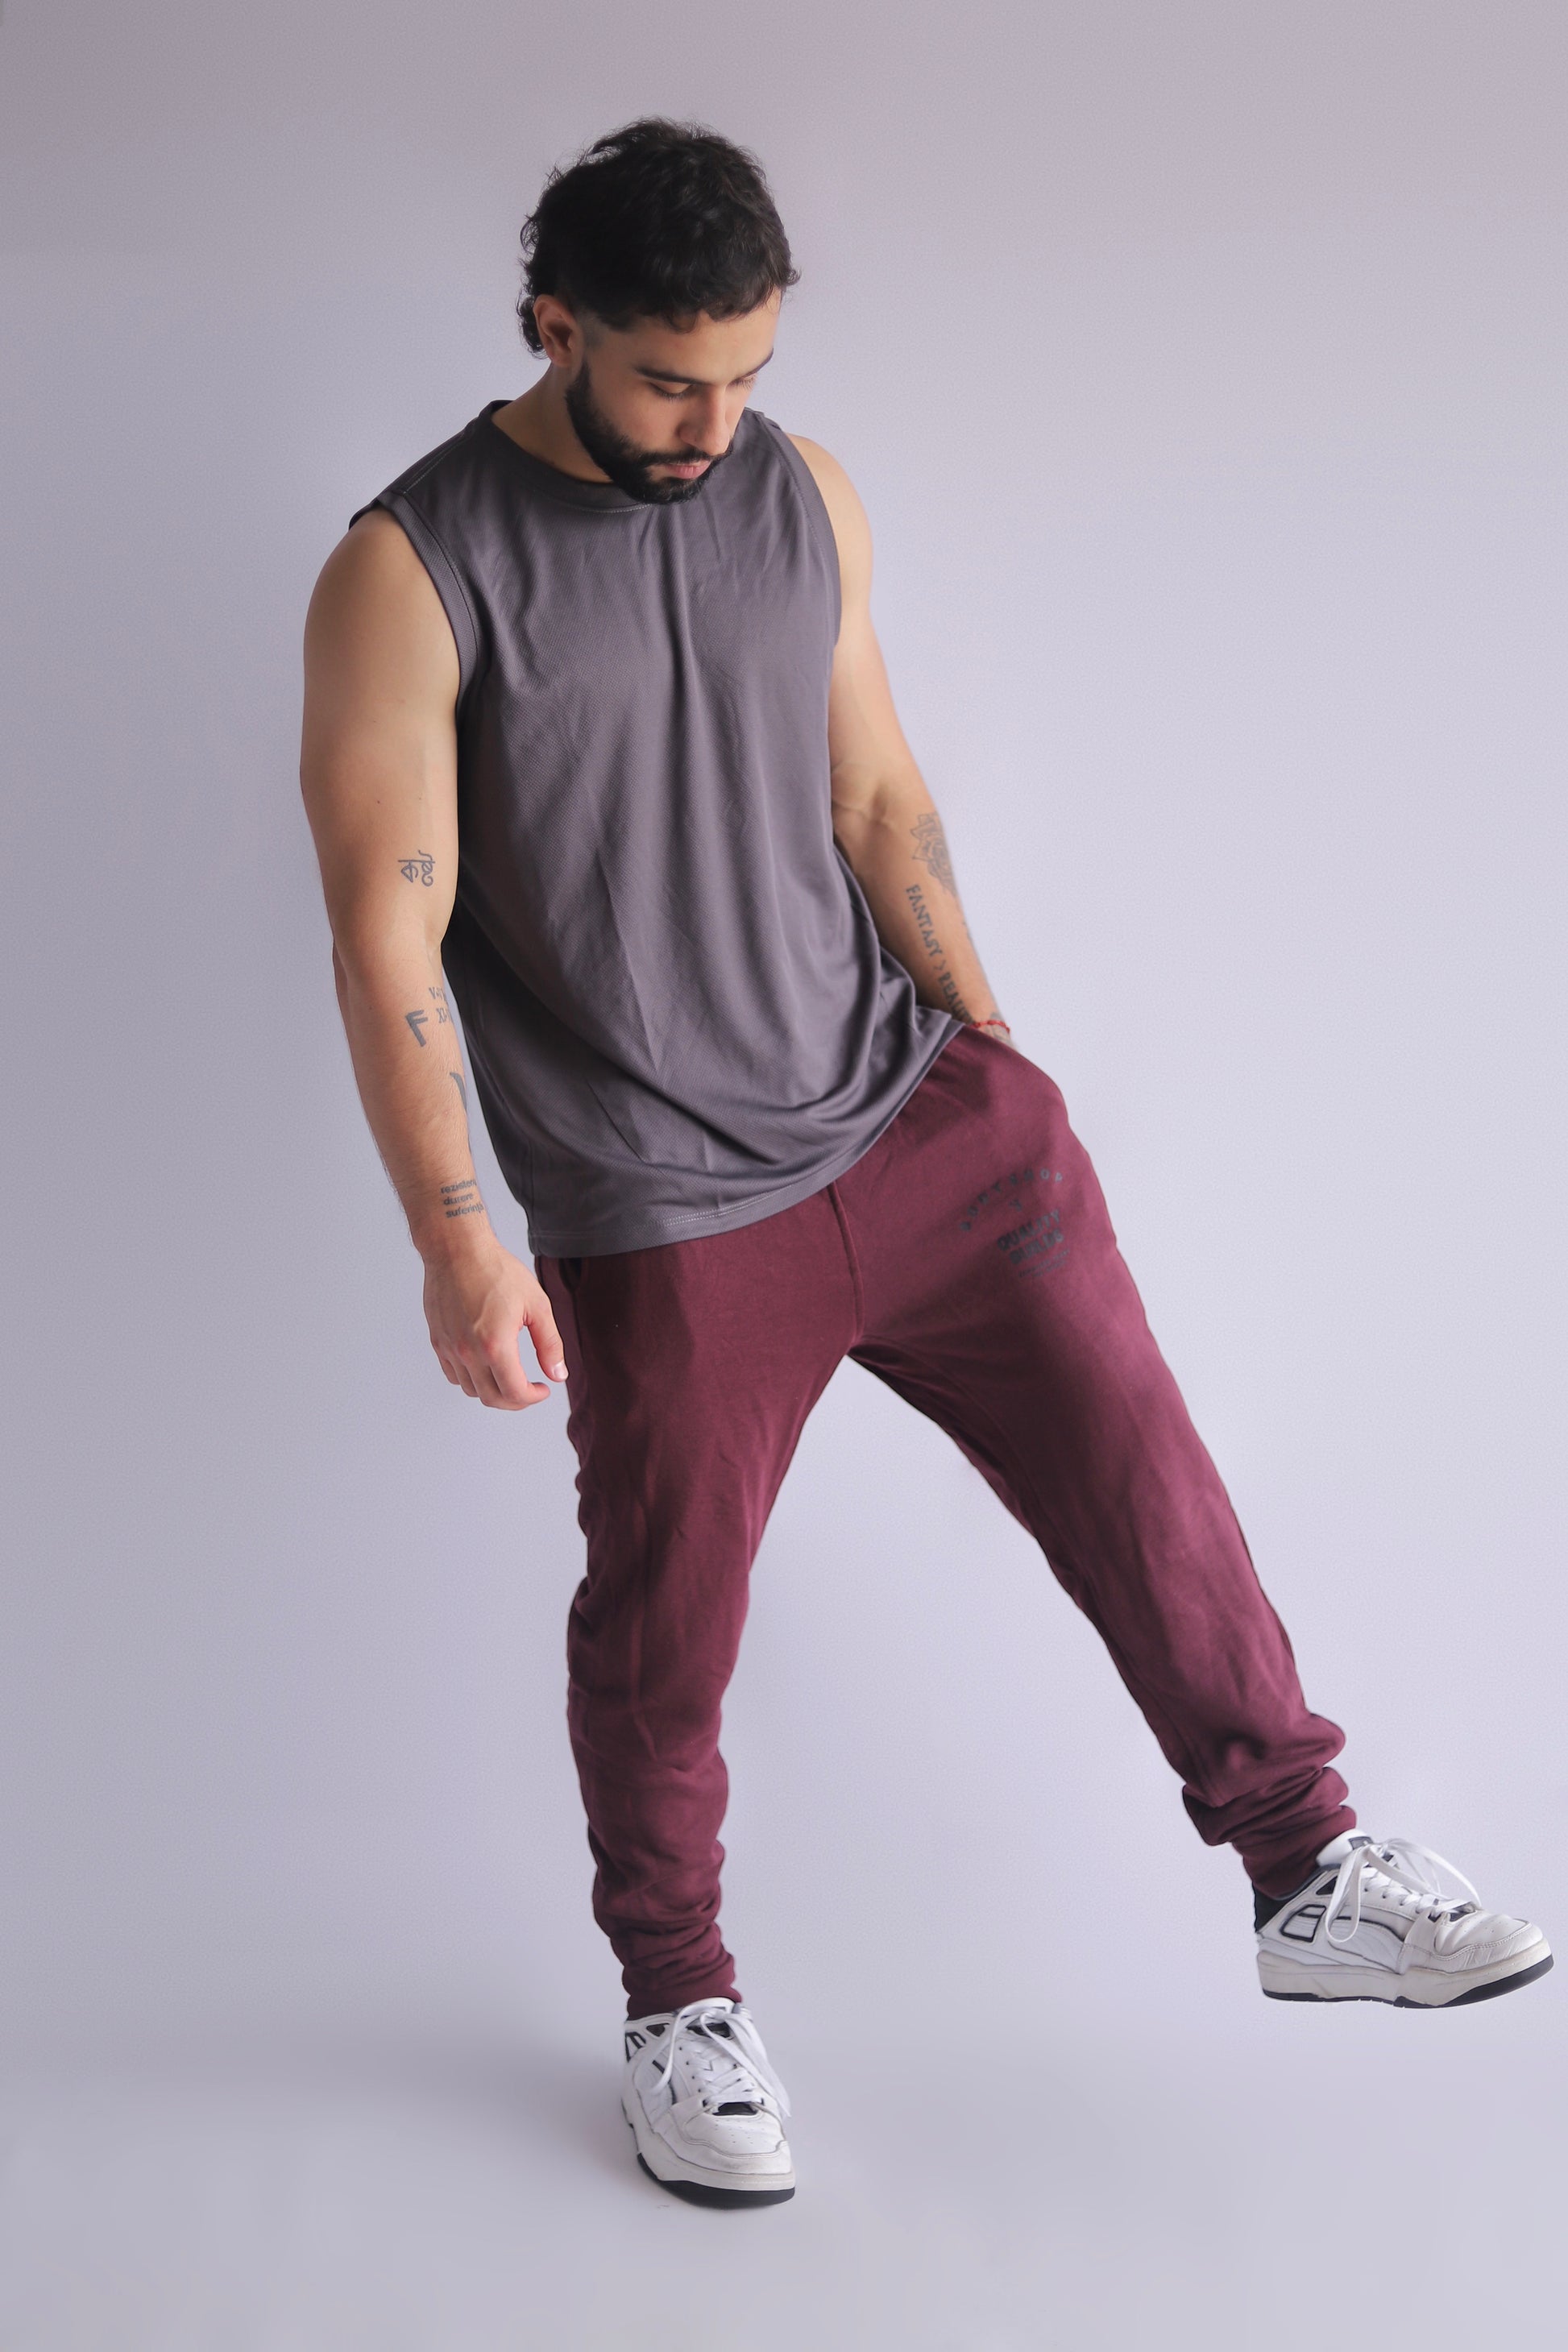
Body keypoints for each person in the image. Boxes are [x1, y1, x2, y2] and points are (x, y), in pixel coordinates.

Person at [299, 118, 1550, 2209]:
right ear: (552, 327)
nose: (713, 426)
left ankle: (1305, 1866)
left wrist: (991, 1057)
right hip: (663, 1199)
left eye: (746, 377)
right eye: (667, 381)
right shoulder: (410, 571)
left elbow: (876, 797)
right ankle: (677, 2005)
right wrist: (458, 1239)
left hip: (918, 1120)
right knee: (666, 1633)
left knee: (1144, 1474)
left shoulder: (800, 491)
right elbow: (384, 927)